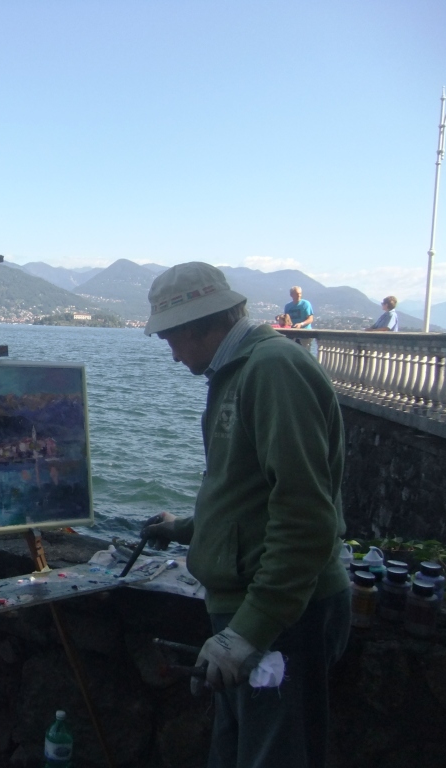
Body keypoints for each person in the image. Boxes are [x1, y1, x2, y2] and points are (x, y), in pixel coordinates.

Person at [141, 262, 350, 768]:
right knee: (240, 751)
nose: (172, 354)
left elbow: (305, 516)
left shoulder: (272, 369)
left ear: (196, 325)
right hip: (253, 608)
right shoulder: (239, 372)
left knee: (272, 756)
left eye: (171, 339)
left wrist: (250, 631)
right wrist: (186, 529)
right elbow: (245, 493)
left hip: (284, 616)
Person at [283, 285, 314, 350]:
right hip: (292, 335)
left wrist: (301, 324)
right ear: (291, 295)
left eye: (300, 293)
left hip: (304, 335)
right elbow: (286, 320)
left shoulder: (305, 304)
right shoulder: (288, 306)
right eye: (297, 294)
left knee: (304, 353)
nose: (299, 295)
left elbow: (310, 319)